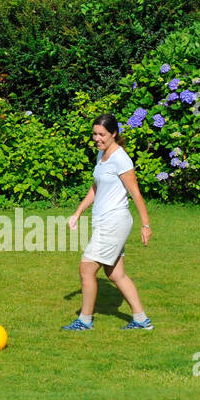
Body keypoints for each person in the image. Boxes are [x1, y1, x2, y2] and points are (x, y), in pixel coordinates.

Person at [62, 113, 154, 330]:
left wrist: (146, 225)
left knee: (86, 269)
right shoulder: (101, 155)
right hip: (105, 222)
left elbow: (136, 193)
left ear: (114, 134)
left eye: (102, 134)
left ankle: (85, 321)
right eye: (94, 134)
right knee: (115, 274)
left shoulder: (120, 159)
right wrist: (78, 212)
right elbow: (96, 188)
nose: (97, 138)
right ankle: (141, 319)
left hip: (114, 222)